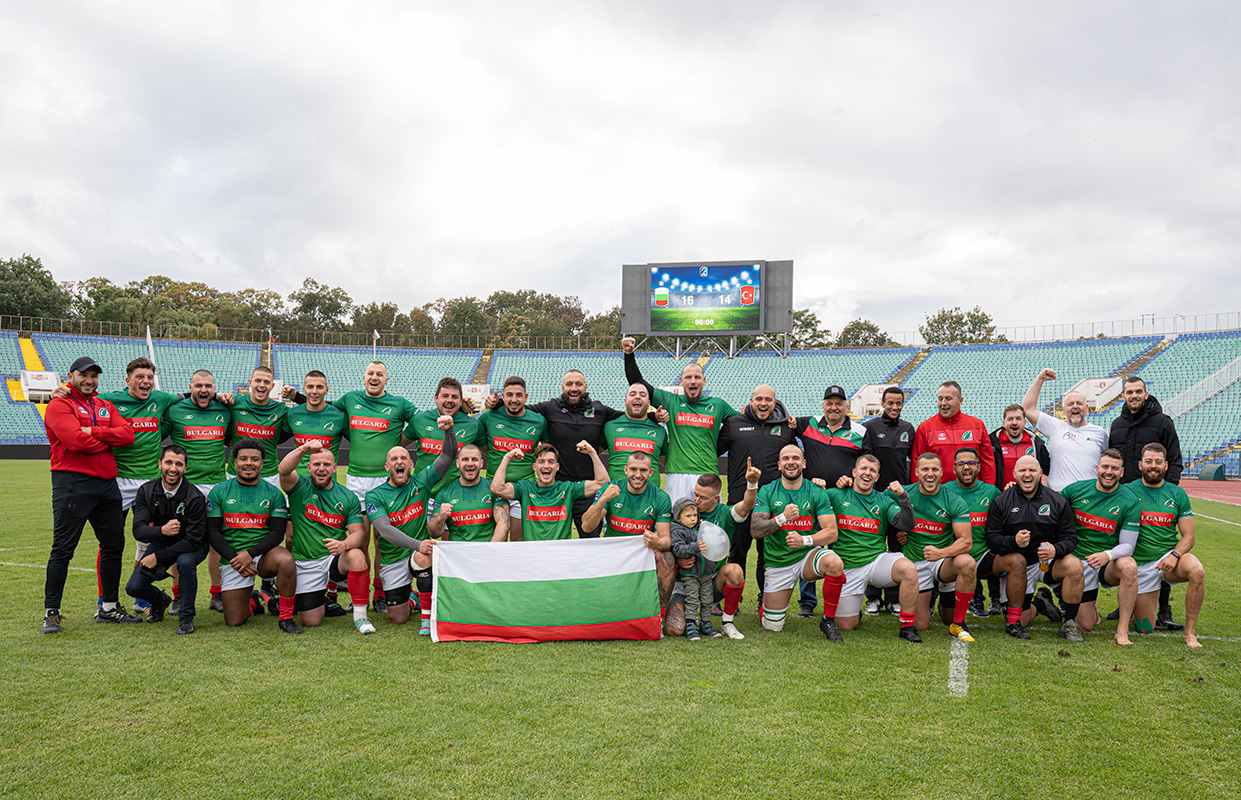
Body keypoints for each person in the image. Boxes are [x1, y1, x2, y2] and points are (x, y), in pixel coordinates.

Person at [42, 356, 140, 633]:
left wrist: (94, 432)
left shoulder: (104, 405)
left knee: (113, 546)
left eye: (94, 376)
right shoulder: (60, 404)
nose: (89, 380)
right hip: (73, 482)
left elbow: (128, 436)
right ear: (71, 376)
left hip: (107, 484)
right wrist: (107, 441)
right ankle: (52, 612)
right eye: (83, 375)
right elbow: (75, 441)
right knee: (63, 549)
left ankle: (108, 607)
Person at [332, 360, 417, 614]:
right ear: (364, 377)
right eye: (370, 373)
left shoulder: (399, 404)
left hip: (384, 481)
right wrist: (297, 397)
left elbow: (423, 420)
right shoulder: (350, 399)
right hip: (356, 480)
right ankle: (360, 596)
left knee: (382, 540)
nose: (374, 377)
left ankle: (380, 594)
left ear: (386, 380)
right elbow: (323, 409)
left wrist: (400, 442)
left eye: (380, 374)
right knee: (359, 539)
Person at [366, 419, 458, 633]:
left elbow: (447, 456)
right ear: (387, 467)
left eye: (404, 458)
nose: (399, 462)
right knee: (398, 618)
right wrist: (417, 543)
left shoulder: (422, 481)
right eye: (394, 459)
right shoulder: (375, 495)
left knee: (423, 555)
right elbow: (385, 530)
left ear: (411, 464)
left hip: (418, 553)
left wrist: (449, 430)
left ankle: (426, 618)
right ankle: (414, 599)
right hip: (393, 559)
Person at [1109, 375, 1185, 631]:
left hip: (1156, 496)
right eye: (1129, 392)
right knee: (1127, 549)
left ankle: (1164, 609)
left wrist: (1168, 492)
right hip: (1126, 498)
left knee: (1159, 548)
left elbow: (1174, 458)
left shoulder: (1162, 422)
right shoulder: (1117, 424)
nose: (1134, 396)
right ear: (1123, 395)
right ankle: (1126, 602)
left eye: (1138, 391)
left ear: (1145, 393)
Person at [749, 444, 846, 640]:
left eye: (795, 458)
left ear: (804, 463)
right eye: (785, 458)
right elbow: (755, 530)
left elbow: (831, 533)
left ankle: (828, 620)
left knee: (834, 563)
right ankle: (768, 604)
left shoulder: (816, 492)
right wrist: (782, 518)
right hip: (778, 562)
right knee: (772, 626)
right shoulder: (767, 490)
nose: (790, 462)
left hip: (806, 557)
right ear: (779, 465)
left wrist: (805, 540)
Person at [621, 337, 736, 501]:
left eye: (697, 377)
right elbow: (637, 383)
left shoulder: (718, 405)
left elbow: (741, 422)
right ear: (681, 381)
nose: (693, 381)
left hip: (707, 473)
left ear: (704, 381)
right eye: (688, 377)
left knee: (709, 518)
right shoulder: (671, 401)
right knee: (676, 517)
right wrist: (629, 354)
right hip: (677, 475)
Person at [715, 384, 797, 613]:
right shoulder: (733, 424)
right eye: (758, 399)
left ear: (775, 402)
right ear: (750, 401)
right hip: (740, 500)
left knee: (767, 553)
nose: (763, 403)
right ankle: (732, 601)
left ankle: (765, 598)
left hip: (772, 502)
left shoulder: (786, 427)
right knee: (736, 552)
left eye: (768, 400)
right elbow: (711, 450)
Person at [205, 439, 300, 633]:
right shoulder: (219, 491)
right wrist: (234, 557)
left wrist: (251, 553)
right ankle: (254, 601)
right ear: (234, 462)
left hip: (263, 555)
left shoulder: (274, 493)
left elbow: (277, 533)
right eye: (243, 459)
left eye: (255, 459)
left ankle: (286, 616)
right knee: (234, 620)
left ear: (262, 463)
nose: (249, 463)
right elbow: (212, 531)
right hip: (234, 558)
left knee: (285, 560)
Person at [984, 455, 1082, 641]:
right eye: (1022, 470)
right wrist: (1013, 542)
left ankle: (1070, 623)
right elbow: (992, 539)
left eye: (1032, 470)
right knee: (1019, 621)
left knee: (1074, 565)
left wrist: (1055, 550)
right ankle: (1041, 602)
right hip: (1017, 566)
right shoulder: (1001, 501)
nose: (1027, 474)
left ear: (1041, 473)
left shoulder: (1057, 501)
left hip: (1046, 562)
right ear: (1014, 473)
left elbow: (1071, 538)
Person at [278, 440, 371, 633]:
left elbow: (358, 534)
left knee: (356, 555)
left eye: (327, 464)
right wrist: (304, 449)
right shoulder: (298, 487)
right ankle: (322, 599)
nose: (321, 469)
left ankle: (361, 617)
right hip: (306, 562)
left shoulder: (347, 496)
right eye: (317, 464)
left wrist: (344, 545)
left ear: (335, 468)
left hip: (333, 558)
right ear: (309, 467)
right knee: (310, 621)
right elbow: (284, 470)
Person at [791, 384, 869, 617]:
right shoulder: (809, 423)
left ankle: (843, 598)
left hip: (842, 499)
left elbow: (866, 465)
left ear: (846, 406)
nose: (834, 407)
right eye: (829, 403)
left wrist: (851, 479)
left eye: (839, 403)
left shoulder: (860, 431)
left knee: (842, 548)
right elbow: (784, 420)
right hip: (812, 498)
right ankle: (807, 601)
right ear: (823, 405)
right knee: (810, 545)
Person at [664, 469, 762, 640]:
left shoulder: (724, 514)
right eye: (695, 494)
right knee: (675, 629)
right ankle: (684, 610)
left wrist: (752, 484)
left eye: (702, 498)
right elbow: (668, 542)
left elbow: (746, 505)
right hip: (686, 581)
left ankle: (727, 622)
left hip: (711, 580)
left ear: (716, 498)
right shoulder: (685, 512)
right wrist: (678, 559)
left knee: (735, 571)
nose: (696, 501)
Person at [827, 455, 917, 638]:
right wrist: (817, 484)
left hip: (876, 562)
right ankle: (855, 612)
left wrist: (903, 496)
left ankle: (907, 626)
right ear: (854, 472)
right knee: (845, 625)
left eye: (872, 471)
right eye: (863, 468)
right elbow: (812, 502)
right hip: (848, 567)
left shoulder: (884, 500)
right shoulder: (836, 494)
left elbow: (906, 524)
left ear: (877, 477)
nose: (867, 473)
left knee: (908, 568)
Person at [1059, 450, 1141, 646]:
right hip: (1077, 563)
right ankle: (1055, 597)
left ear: (1122, 472)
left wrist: (1107, 555)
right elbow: (1050, 507)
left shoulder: (1130, 500)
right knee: (1085, 625)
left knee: (1129, 566)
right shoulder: (1075, 490)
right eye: (1105, 467)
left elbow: (1128, 545)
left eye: (1115, 468)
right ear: (1097, 469)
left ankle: (1122, 631)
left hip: (1105, 563)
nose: (1109, 472)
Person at [124, 444, 208, 634]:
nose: (173, 468)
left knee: (185, 562)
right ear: (160, 464)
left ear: (185, 468)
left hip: (193, 545)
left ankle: (186, 617)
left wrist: (158, 557)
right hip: (163, 541)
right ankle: (160, 600)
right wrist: (162, 531)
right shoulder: (146, 490)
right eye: (169, 462)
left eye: (179, 464)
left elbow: (194, 540)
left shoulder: (195, 497)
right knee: (134, 588)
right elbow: (139, 531)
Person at [165, 369, 231, 612]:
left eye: (208, 386)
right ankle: (178, 596)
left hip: (217, 486)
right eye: (199, 385)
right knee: (179, 539)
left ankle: (217, 594)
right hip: (185, 487)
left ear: (214, 388)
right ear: (190, 387)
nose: (204, 390)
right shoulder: (175, 410)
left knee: (217, 542)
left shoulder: (225, 410)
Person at [581, 452, 674, 621]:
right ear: (625, 470)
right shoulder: (611, 489)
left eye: (643, 470)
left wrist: (658, 543)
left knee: (667, 558)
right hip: (611, 552)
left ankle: (658, 618)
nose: (638, 475)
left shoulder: (661, 497)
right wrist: (603, 499)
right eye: (633, 469)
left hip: (642, 555)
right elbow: (587, 526)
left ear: (651, 472)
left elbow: (666, 541)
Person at [1129, 443, 1204, 648]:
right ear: (1140, 465)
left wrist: (1175, 555)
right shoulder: (1128, 491)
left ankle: (1190, 633)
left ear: (1166, 465)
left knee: (1197, 571)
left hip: (1169, 558)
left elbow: (1189, 537)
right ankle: (1138, 605)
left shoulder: (1177, 493)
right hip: (1140, 564)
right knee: (1145, 628)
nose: (1153, 466)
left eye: (1158, 462)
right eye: (1149, 461)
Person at [898, 453, 978, 641]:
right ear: (916, 472)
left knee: (967, 563)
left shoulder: (953, 500)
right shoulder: (903, 494)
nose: (930, 474)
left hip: (942, 562)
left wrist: (940, 553)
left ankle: (959, 622)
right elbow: (876, 504)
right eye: (925, 469)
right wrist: (897, 533)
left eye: (934, 469)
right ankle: (942, 596)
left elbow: (966, 541)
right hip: (915, 564)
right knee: (920, 625)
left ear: (942, 472)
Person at [857, 386, 915, 616]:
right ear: (882, 403)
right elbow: (865, 460)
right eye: (890, 403)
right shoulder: (869, 427)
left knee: (896, 546)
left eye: (898, 403)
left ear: (902, 404)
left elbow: (912, 461)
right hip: (874, 497)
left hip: (897, 497)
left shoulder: (908, 429)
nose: (894, 407)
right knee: (873, 544)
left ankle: (893, 599)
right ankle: (873, 598)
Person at [491, 441, 610, 541]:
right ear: (534, 467)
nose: (546, 466)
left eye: (551, 462)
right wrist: (507, 458)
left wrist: (592, 452)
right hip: (532, 556)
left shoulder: (568, 489)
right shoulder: (525, 489)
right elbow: (497, 488)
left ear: (557, 467)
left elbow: (602, 483)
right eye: (541, 461)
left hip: (559, 556)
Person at [478, 376, 548, 543]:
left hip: (524, 489)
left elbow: (545, 451)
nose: (514, 399)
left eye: (519, 395)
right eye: (509, 395)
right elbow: (484, 446)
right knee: (495, 540)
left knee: (518, 542)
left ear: (526, 397)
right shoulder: (488, 417)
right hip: (494, 488)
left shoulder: (539, 421)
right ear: (502, 396)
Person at [1022, 368, 1109, 490]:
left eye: (1079, 403)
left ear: (1087, 408)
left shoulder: (1100, 433)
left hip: (1088, 494)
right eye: (1070, 404)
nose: (1075, 406)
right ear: (1063, 410)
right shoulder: (1055, 427)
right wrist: (1040, 379)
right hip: (1058, 494)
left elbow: (1107, 462)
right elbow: (1027, 409)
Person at [942, 447, 1002, 619]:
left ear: (978, 466)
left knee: (1015, 561)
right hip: (953, 557)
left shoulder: (991, 492)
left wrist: (1014, 489)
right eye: (961, 464)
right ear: (954, 468)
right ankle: (935, 596)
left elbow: (1010, 510)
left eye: (971, 463)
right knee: (943, 618)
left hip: (983, 555)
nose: (966, 467)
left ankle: (1006, 605)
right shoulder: (943, 491)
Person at [406, 377, 483, 495]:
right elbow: (398, 444)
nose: (449, 400)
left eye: (454, 397)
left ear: (461, 401)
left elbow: (492, 453)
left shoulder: (473, 425)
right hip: (421, 493)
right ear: (436, 398)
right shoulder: (420, 419)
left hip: (454, 496)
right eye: (445, 396)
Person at [912, 381, 996, 486]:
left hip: (971, 491)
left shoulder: (977, 425)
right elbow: (917, 463)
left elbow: (987, 462)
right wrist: (919, 491)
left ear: (960, 401)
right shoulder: (925, 428)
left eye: (948, 399)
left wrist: (989, 488)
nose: (943, 403)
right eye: (940, 399)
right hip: (938, 492)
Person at [219, 366, 290, 486]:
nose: (262, 385)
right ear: (250, 383)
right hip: (236, 473)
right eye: (258, 380)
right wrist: (219, 395)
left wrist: (296, 397)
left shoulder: (281, 410)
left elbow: (311, 410)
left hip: (268, 475)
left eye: (266, 382)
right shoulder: (235, 403)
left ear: (272, 386)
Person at [428, 443, 510, 543]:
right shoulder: (445, 494)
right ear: (457, 463)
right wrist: (441, 517)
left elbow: (503, 523)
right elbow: (434, 533)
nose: (470, 463)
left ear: (481, 463)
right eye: (465, 459)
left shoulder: (494, 490)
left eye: (474, 459)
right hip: (458, 551)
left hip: (488, 549)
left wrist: (490, 549)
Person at [669, 498, 721, 641]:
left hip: (706, 573)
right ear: (678, 517)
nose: (693, 519)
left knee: (707, 600)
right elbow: (678, 549)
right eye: (688, 516)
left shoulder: (702, 528)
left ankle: (706, 624)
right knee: (692, 600)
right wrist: (695, 547)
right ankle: (691, 626)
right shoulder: (677, 531)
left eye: (695, 515)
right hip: (690, 574)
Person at [601, 383, 669, 484]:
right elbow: (593, 453)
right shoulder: (609, 426)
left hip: (650, 493)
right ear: (625, 401)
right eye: (632, 394)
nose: (637, 397)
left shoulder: (660, 431)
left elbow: (667, 463)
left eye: (642, 395)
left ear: (648, 403)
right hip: (616, 492)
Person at [283, 370, 349, 471]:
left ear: (326, 390)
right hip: (298, 479)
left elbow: (358, 441)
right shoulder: (292, 414)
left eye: (319, 387)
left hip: (327, 479)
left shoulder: (340, 416)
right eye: (310, 387)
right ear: (304, 389)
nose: (314, 391)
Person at [989, 404, 1050, 491]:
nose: (1014, 422)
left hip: (1028, 496)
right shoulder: (991, 444)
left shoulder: (1037, 444)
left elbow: (1046, 471)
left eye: (1018, 418)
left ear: (1024, 422)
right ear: (1004, 423)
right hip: (1000, 496)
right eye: (1010, 419)